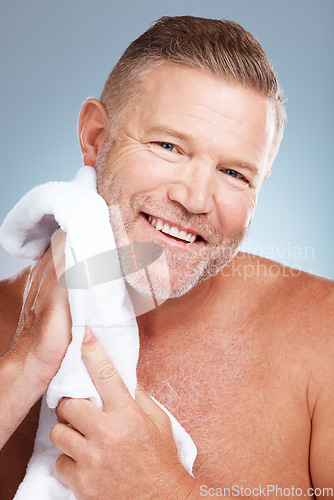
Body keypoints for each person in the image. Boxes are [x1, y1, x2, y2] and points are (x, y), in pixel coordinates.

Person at [0, 15, 333, 499]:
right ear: (96, 138)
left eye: (235, 173)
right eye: (168, 146)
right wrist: (25, 366)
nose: (196, 199)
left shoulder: (321, 334)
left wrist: (163, 489)